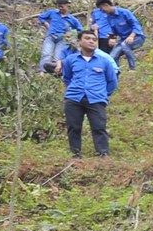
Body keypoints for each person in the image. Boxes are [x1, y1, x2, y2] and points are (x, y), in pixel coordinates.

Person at [50, 29, 119, 157]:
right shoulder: (71, 60)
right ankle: (75, 153)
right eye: (87, 39)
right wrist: (73, 89)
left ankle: (103, 153)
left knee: (99, 127)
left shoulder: (104, 61)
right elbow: (67, 77)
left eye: (94, 40)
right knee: (73, 126)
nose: (91, 42)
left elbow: (112, 81)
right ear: (79, 41)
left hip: (96, 98)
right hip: (74, 98)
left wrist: (103, 94)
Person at [94, 0, 146, 69]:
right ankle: (116, 72)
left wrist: (132, 36)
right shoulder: (109, 17)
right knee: (112, 56)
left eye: (103, 8)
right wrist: (111, 38)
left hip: (137, 38)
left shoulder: (124, 12)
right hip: (123, 41)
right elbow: (114, 32)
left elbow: (136, 25)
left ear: (106, 5)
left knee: (125, 45)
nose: (102, 11)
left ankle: (133, 67)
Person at [34, 0, 81, 71]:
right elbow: (41, 17)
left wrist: (72, 35)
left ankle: (55, 71)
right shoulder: (52, 13)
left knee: (58, 56)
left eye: (62, 6)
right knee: (46, 53)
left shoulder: (72, 19)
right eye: (59, 6)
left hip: (62, 38)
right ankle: (42, 71)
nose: (60, 8)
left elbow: (80, 29)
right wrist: (46, 24)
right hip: (51, 36)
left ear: (67, 5)